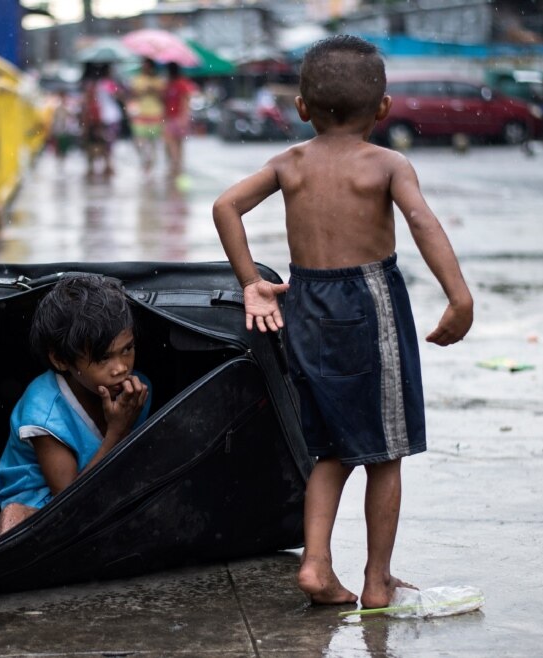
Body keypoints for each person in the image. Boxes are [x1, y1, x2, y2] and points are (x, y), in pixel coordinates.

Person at [212, 35, 473, 608]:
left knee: (328, 447)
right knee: (385, 450)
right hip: (368, 303)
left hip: (305, 302)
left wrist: (250, 282)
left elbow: (225, 206)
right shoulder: (386, 164)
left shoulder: (289, 163)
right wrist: (459, 297)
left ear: (301, 107)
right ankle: (378, 580)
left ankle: (317, 566)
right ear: (382, 109)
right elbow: (424, 224)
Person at [0, 274, 152, 535]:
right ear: (60, 360)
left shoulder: (134, 389)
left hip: (102, 482)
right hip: (46, 502)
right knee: (22, 521)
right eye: (103, 358)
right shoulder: (45, 414)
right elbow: (68, 503)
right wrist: (117, 431)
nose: (121, 368)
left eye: (127, 349)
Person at [81, 62, 125, 178]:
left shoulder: (91, 85)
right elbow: (120, 95)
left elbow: (86, 101)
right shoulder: (108, 84)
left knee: (96, 142)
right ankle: (108, 165)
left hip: (97, 117)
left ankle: (95, 168)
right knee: (108, 143)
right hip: (111, 117)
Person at [127, 58, 166, 172]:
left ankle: (152, 162)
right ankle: (144, 159)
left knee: (153, 141)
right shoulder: (137, 79)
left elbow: (163, 96)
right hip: (140, 113)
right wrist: (142, 91)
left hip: (155, 113)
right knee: (139, 140)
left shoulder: (158, 80)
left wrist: (154, 90)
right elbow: (133, 94)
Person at [163, 62, 198, 177]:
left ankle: (176, 166)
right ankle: (177, 165)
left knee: (175, 143)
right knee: (174, 143)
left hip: (178, 117)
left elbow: (185, 100)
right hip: (171, 117)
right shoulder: (169, 84)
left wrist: (184, 117)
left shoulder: (180, 84)